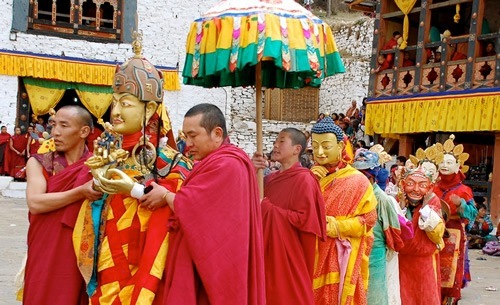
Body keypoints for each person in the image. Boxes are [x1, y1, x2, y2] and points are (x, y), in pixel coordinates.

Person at [73, 39, 192, 304]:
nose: (115, 111)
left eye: (125, 103)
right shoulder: (102, 154)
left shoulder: (169, 161)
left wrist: (133, 190)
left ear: (149, 109)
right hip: (105, 253)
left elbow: (182, 207)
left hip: (144, 259)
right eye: (114, 102)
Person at [142, 103, 265, 305]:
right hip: (211, 258)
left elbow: (195, 206)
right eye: (185, 136)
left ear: (217, 133)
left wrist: (165, 195)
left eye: (193, 135)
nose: (187, 143)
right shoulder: (220, 160)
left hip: (218, 264)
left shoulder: (227, 164)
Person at [23, 105, 103, 305]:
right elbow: (35, 202)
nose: (55, 132)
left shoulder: (97, 166)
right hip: (46, 247)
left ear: (84, 131)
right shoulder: (40, 162)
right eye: (53, 124)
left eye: (64, 126)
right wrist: (79, 192)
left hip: (80, 250)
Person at [252, 128, 326, 305]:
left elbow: (306, 221)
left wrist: (268, 209)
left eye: (281, 141)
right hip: (265, 252)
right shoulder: (269, 180)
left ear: (297, 149)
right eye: (275, 141)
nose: (275, 145)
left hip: (289, 258)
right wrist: (253, 170)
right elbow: (250, 204)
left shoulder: (305, 180)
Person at [310, 117, 377, 305]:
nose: (319, 152)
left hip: (341, 257)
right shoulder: (307, 177)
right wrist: (308, 184)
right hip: (310, 252)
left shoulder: (358, 181)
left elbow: (368, 220)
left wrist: (337, 226)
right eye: (315, 146)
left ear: (340, 146)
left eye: (325, 146)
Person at [352, 147, 408, 305]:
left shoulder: (382, 199)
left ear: (371, 177)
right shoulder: (354, 194)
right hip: (355, 250)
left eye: (363, 175)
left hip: (375, 253)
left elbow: (393, 230)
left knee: (375, 294)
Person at [397, 147, 446, 305]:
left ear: (430, 187)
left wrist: (425, 208)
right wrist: (402, 208)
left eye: (422, 185)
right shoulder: (398, 201)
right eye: (410, 184)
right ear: (403, 185)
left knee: (425, 297)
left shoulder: (432, 201)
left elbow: (436, 233)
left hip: (423, 261)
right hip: (401, 260)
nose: (416, 190)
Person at [434, 136, 477, 305]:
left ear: (458, 167)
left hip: (454, 233)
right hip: (433, 233)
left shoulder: (464, 190)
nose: (445, 165)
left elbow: (473, 214)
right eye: (442, 161)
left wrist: (462, 207)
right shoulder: (433, 187)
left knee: (450, 272)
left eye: (450, 162)